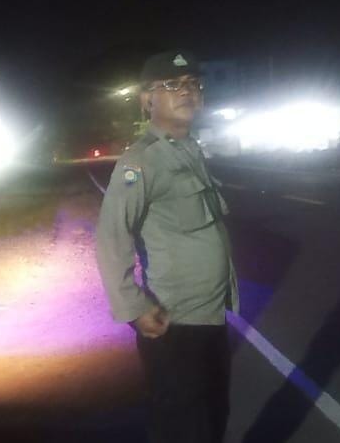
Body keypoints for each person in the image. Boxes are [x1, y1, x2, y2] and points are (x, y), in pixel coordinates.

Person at [96, 49, 238, 443]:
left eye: (192, 83)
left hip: (210, 318)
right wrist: (134, 307)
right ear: (147, 100)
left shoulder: (190, 151)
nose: (186, 90)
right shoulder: (140, 162)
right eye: (172, 84)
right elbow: (112, 234)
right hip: (174, 324)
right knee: (185, 428)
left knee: (213, 419)